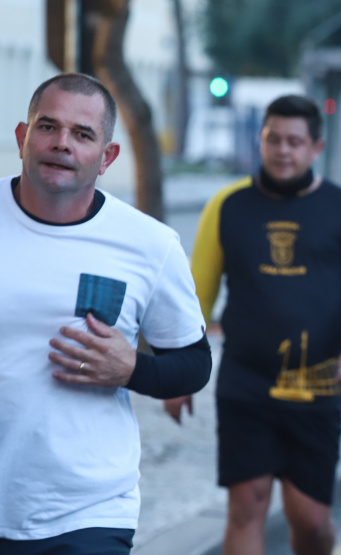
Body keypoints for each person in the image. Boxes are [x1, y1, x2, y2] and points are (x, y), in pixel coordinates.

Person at [0, 73, 211, 553]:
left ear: (107, 157)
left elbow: (195, 364)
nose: (61, 144)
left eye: (82, 134)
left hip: (86, 510)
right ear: (22, 137)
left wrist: (133, 368)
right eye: (47, 127)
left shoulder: (149, 245)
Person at [164, 95, 341, 555]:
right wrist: (177, 370)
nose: (283, 150)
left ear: (316, 147)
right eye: (274, 139)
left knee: (312, 522)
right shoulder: (229, 206)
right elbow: (196, 295)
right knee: (246, 506)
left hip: (317, 385)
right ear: (260, 140)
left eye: (295, 142)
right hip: (246, 381)